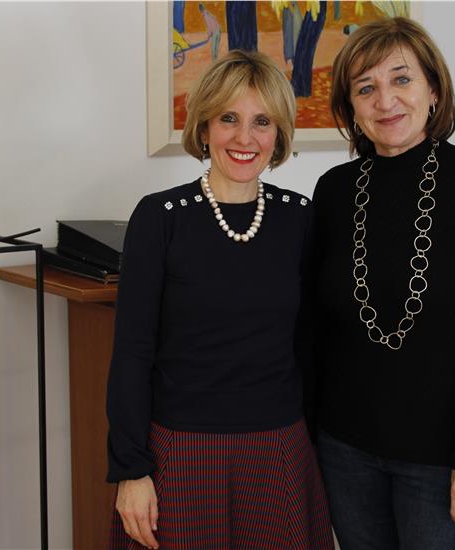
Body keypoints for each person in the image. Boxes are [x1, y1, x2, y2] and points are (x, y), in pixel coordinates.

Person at [310, 17, 455, 550]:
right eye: (366, 87)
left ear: (433, 90)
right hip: (344, 450)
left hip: (441, 459)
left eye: (401, 79)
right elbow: (314, 325)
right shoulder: (334, 190)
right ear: (351, 107)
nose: (385, 100)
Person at [106, 49, 334, 550]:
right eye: (229, 118)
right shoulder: (160, 217)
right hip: (179, 452)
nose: (244, 138)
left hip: (279, 448)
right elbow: (132, 353)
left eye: (261, 122)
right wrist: (131, 469)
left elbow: (310, 347)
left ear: (278, 134)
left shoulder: (299, 217)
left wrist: (316, 450)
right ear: (205, 126)